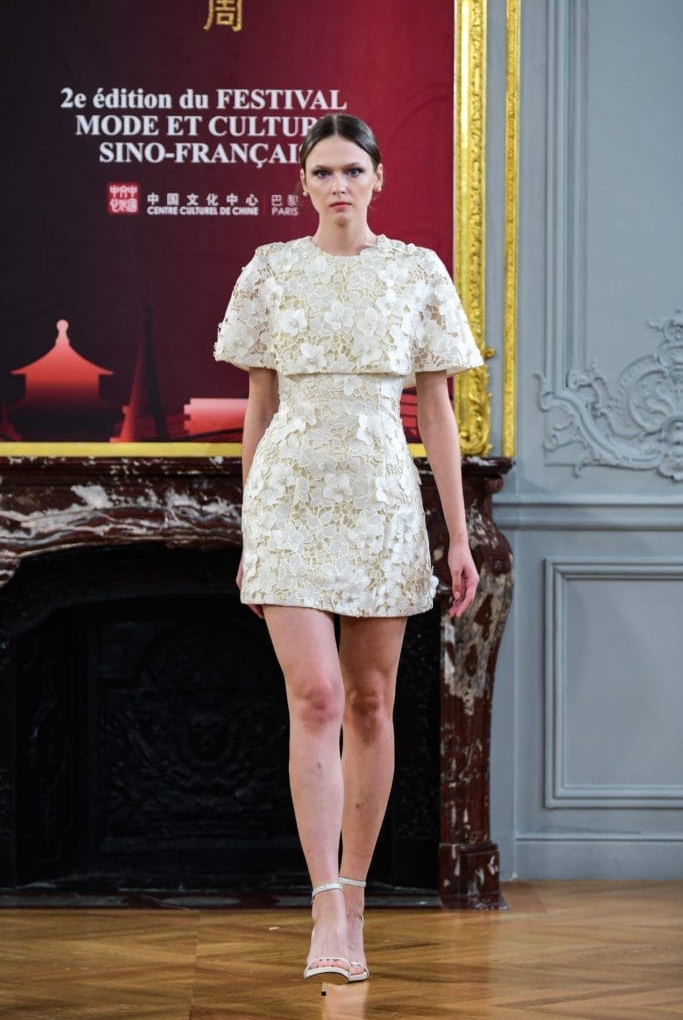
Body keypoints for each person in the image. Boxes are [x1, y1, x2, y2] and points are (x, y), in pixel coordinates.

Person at [214, 113, 483, 987]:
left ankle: (356, 893)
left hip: (380, 499)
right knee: (318, 696)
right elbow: (259, 405)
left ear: (377, 179)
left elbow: (436, 410)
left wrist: (455, 534)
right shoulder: (269, 270)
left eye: (352, 171)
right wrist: (253, 527)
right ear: (301, 183)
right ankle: (324, 901)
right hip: (289, 499)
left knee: (369, 702)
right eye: (322, 171)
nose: (338, 185)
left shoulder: (417, 271)